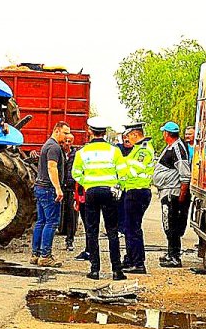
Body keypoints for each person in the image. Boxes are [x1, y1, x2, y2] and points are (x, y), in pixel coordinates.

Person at [71, 118, 128, 280]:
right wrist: (118, 188)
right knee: (112, 231)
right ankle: (117, 271)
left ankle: (95, 270)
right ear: (104, 133)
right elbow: (123, 173)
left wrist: (87, 184)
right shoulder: (114, 151)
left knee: (92, 230)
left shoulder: (82, 152)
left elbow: (75, 173)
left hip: (91, 193)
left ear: (90, 131)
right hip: (110, 192)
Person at [30, 122, 69, 267]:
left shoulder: (47, 144)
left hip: (40, 187)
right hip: (48, 189)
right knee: (51, 222)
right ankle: (45, 255)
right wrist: (58, 188)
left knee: (41, 221)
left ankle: (36, 254)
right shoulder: (54, 147)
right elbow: (52, 167)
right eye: (65, 133)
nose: (67, 136)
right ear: (57, 131)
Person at [154, 120, 192, 267]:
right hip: (168, 191)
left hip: (172, 192)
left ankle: (175, 257)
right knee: (168, 224)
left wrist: (181, 194)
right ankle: (171, 253)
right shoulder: (172, 147)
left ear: (167, 134)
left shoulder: (178, 149)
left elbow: (184, 174)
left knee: (171, 224)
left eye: (164, 132)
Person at [118, 122, 155, 274]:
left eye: (128, 136)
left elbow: (132, 170)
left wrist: (119, 168)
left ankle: (138, 263)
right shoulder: (138, 149)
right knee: (129, 227)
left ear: (135, 134)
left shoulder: (143, 151)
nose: (127, 139)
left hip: (137, 192)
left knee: (133, 228)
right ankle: (131, 259)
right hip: (133, 191)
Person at [57, 129, 81, 252]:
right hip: (60, 187)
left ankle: (70, 240)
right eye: (65, 141)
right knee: (58, 213)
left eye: (69, 141)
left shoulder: (76, 154)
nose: (67, 143)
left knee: (72, 214)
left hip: (72, 188)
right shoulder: (58, 152)